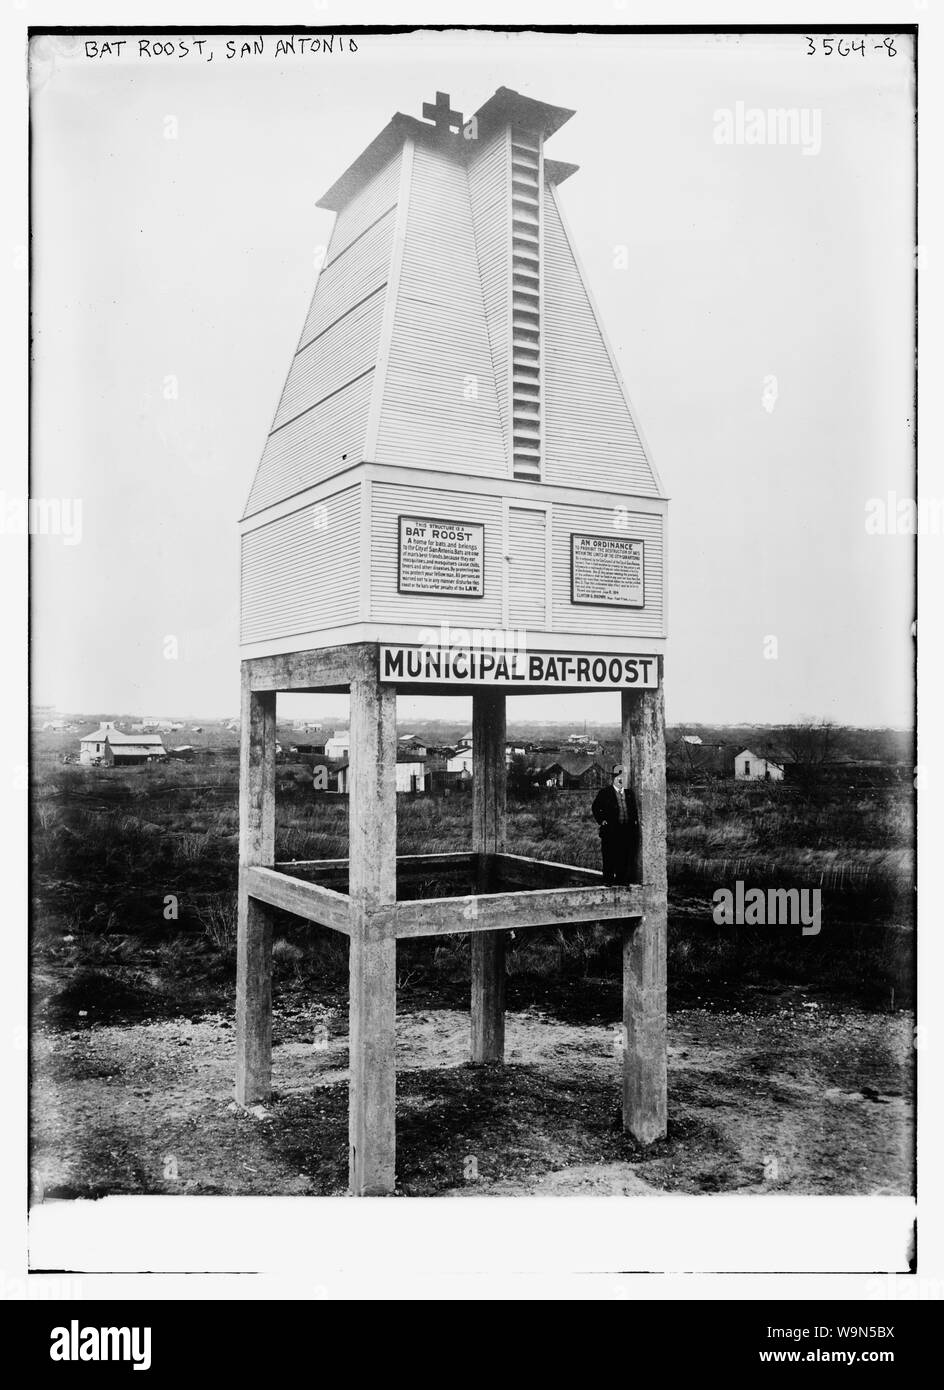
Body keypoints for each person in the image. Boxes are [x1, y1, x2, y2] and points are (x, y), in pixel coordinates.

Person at [591, 765, 640, 885]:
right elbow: (595, 807)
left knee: (623, 857)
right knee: (609, 856)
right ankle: (608, 881)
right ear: (613, 778)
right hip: (611, 831)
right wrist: (602, 820)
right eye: (618, 777)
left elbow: (633, 811)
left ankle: (621, 881)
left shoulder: (629, 794)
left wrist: (634, 824)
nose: (620, 779)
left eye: (623, 777)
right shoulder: (605, 793)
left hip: (625, 831)